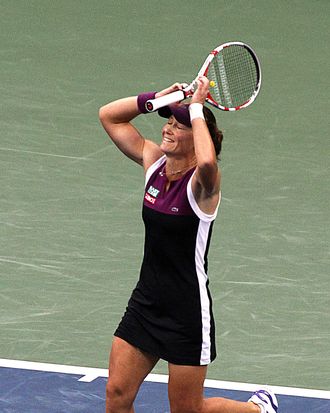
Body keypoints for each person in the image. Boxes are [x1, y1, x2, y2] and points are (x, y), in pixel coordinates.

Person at [99, 77, 278, 413]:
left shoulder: (202, 186)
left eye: (177, 125)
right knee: (117, 393)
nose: (167, 129)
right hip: (146, 303)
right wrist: (156, 96)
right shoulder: (154, 164)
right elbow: (109, 116)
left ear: (196, 138)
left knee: (187, 409)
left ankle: (258, 410)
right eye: (167, 121)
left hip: (186, 312)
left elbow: (209, 162)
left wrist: (196, 106)